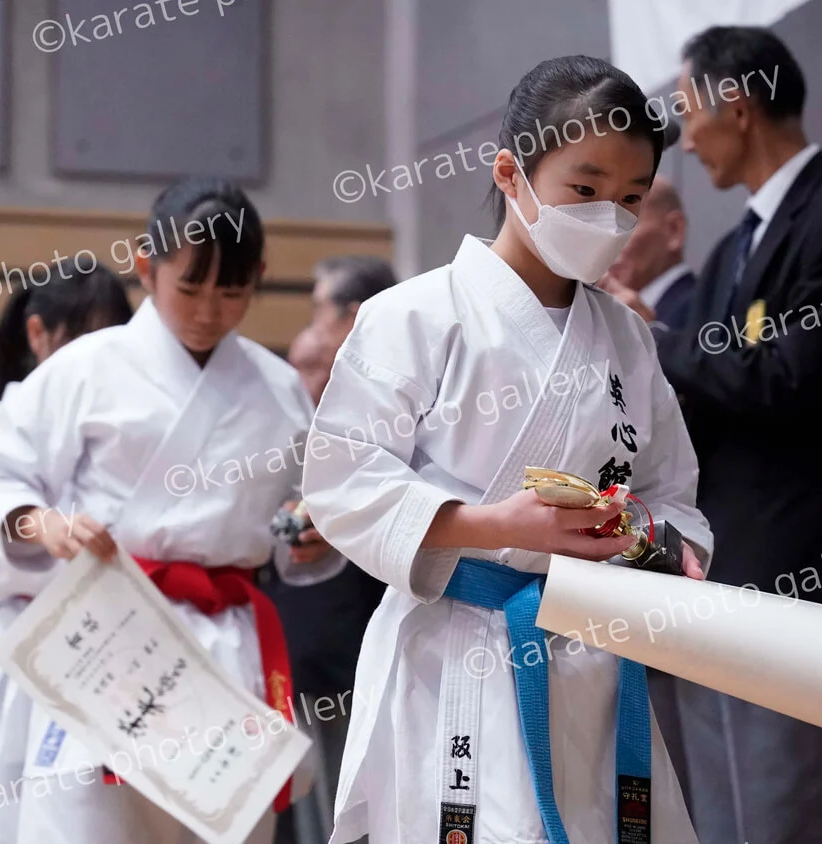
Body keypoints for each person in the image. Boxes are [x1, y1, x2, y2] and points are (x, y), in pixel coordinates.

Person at [302, 55, 709, 844]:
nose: (608, 218)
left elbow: (671, 492)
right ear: (510, 173)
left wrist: (650, 541)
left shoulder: (628, 339)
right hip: (458, 644)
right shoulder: (414, 315)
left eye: (631, 199)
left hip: (591, 649)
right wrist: (497, 525)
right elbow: (344, 479)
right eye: (584, 189)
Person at [0, 177, 343, 844]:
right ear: (146, 268)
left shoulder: (281, 389)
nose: (209, 311)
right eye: (189, 289)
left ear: (258, 278)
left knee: (221, 824)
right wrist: (41, 522)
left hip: (225, 647)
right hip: (111, 628)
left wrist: (310, 537)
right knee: (88, 822)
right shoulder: (87, 367)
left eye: (232, 292)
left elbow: (299, 517)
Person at [652, 26, 822, 844]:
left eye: (688, 110)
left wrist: (654, 340)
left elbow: (790, 375)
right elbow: (710, 391)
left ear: (738, 104)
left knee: (791, 819)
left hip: (801, 580)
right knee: (723, 825)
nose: (687, 138)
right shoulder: (733, 246)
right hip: (717, 579)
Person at [0, 262, 133, 844]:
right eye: (82, 336)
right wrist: (36, 532)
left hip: (127, 643)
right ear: (37, 334)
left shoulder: (130, 428)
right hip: (31, 647)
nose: (95, 355)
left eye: (111, 338)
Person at [266, 258, 396, 844]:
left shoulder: (393, 394)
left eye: (320, 311)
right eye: (300, 368)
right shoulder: (295, 415)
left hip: (358, 632)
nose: (307, 376)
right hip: (302, 636)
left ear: (355, 316)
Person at [599, 177, 698, 331]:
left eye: (623, 225)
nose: (606, 242)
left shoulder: (706, 309)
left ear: (674, 230)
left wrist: (651, 334)